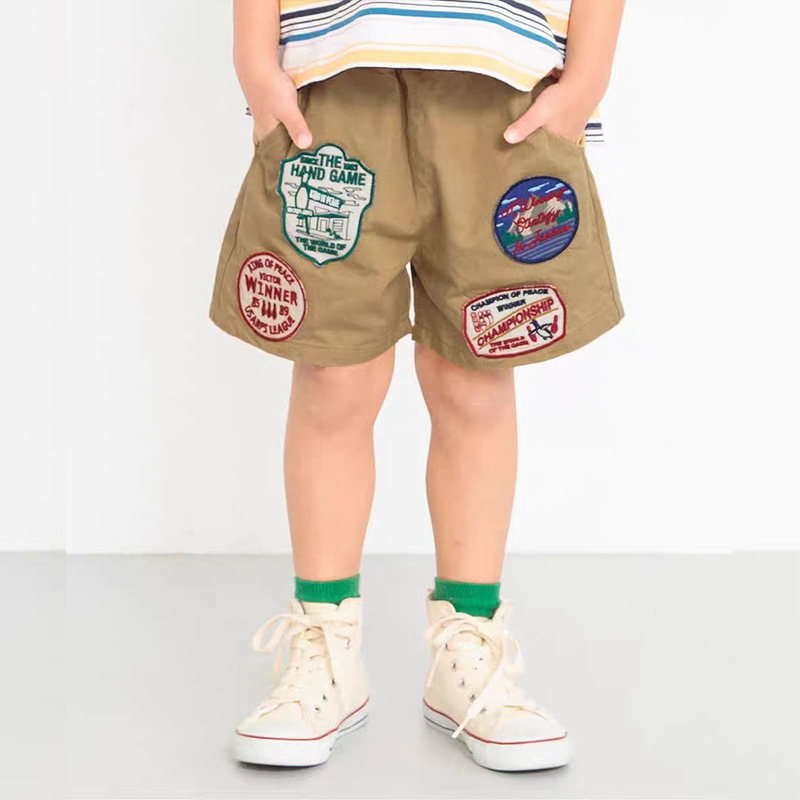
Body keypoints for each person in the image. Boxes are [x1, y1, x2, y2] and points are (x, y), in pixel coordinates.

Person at [210, 0, 625, 772]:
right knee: (334, 372)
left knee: (475, 375)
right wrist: (254, 56)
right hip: (336, 75)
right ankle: (324, 642)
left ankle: (469, 645)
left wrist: (590, 71)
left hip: (502, 81)